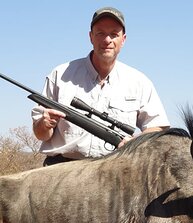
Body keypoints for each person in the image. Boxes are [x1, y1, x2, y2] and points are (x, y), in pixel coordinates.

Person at [32, 6, 170, 166]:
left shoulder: (139, 81)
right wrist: (44, 123)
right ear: (91, 37)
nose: (107, 40)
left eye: (114, 34)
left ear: (123, 39)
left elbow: (158, 126)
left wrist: (134, 144)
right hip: (62, 170)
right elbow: (41, 134)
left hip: (116, 170)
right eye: (100, 33)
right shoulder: (60, 74)